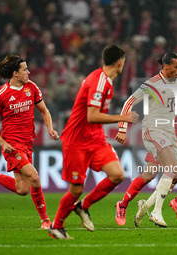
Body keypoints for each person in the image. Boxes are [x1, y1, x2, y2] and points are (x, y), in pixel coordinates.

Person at [115, 54, 177, 227]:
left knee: (175, 177)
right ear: (166, 66)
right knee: (152, 174)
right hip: (155, 131)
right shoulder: (152, 84)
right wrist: (122, 128)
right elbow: (129, 102)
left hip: (174, 134)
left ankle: (147, 206)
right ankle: (136, 207)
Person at [49, 45, 138, 240]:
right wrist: (123, 118)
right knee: (76, 189)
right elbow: (92, 116)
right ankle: (57, 226)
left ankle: (83, 206)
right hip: (76, 140)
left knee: (117, 174)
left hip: (94, 138)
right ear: (120, 62)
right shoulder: (99, 82)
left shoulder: (106, 80)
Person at [0, 54, 59, 229]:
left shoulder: (31, 87)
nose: (29, 72)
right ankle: (45, 220)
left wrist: (50, 128)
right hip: (12, 145)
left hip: (27, 143)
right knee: (34, 178)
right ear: (15, 73)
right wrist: (2, 143)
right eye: (25, 69)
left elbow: (44, 110)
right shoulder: (0, 95)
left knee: (23, 190)